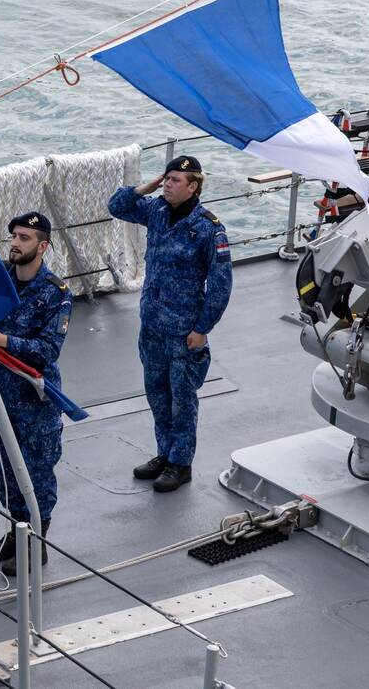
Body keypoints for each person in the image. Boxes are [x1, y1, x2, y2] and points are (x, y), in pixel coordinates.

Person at [107, 155, 232, 493]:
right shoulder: (157, 211)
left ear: (193, 187)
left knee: (182, 399)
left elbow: (220, 285)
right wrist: (145, 186)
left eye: (176, 180)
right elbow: (117, 206)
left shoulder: (208, 228)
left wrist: (202, 329)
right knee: (157, 395)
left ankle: (181, 463)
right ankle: (165, 453)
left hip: (183, 330)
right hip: (151, 326)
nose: (168, 184)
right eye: (166, 178)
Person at [0, 211, 74, 575]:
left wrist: (4, 340)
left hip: (34, 399)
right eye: (14, 236)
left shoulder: (56, 293)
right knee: (1, 466)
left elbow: (48, 349)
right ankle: (17, 533)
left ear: (42, 246)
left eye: (24, 238)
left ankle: (36, 545)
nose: (15, 243)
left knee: (36, 471)